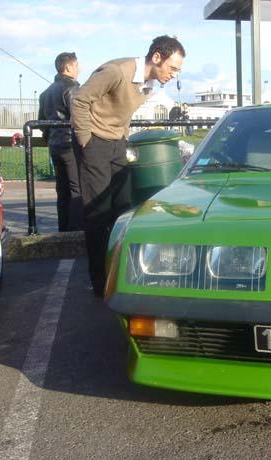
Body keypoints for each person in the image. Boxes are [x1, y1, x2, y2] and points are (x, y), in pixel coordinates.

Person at [71, 35, 185, 297]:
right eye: (172, 68)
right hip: (94, 142)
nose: (174, 74)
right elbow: (80, 100)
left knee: (123, 208)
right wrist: (86, 139)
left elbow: (123, 113)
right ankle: (100, 281)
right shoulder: (117, 71)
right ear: (156, 57)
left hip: (117, 143)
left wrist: (122, 138)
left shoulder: (148, 84)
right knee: (98, 213)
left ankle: (122, 272)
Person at [38, 52, 82, 232]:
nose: (79, 69)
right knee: (77, 188)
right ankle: (77, 229)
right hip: (71, 144)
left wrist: (50, 137)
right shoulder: (72, 87)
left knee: (62, 190)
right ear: (68, 67)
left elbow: (41, 122)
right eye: (77, 65)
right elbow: (79, 117)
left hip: (55, 146)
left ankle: (63, 229)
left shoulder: (45, 93)